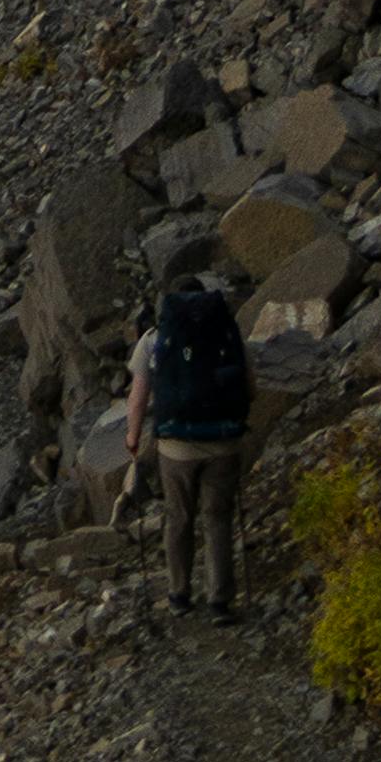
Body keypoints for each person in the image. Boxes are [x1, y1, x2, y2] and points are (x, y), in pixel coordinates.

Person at [127, 254, 256, 616]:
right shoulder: (226, 332)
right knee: (217, 518)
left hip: (175, 447)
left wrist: (133, 437)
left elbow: (138, 398)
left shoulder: (154, 339)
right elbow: (250, 387)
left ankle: (179, 594)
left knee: (179, 517)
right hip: (223, 443)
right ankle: (219, 600)